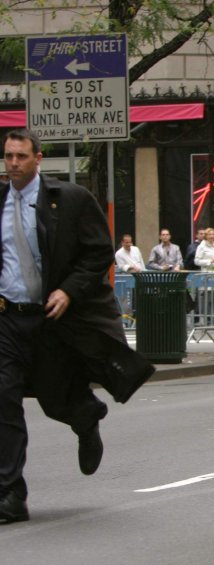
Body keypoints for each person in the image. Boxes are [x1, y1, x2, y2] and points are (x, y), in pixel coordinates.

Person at [1, 128, 153, 523]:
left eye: (21, 156)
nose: (13, 164)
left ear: (38, 158)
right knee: (3, 400)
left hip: (53, 320)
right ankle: (11, 494)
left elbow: (98, 251)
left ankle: (86, 418)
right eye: (8, 157)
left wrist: (68, 291)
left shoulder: (68, 200)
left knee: (56, 397)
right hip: (8, 320)